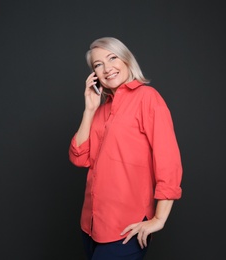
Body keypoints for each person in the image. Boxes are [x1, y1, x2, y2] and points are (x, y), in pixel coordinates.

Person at [68, 37, 183, 260]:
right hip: (91, 226)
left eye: (112, 58)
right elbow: (79, 157)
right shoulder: (101, 110)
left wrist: (159, 219)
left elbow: (168, 160)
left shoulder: (147, 98)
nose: (107, 68)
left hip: (125, 228)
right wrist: (90, 109)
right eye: (98, 64)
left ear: (127, 60)